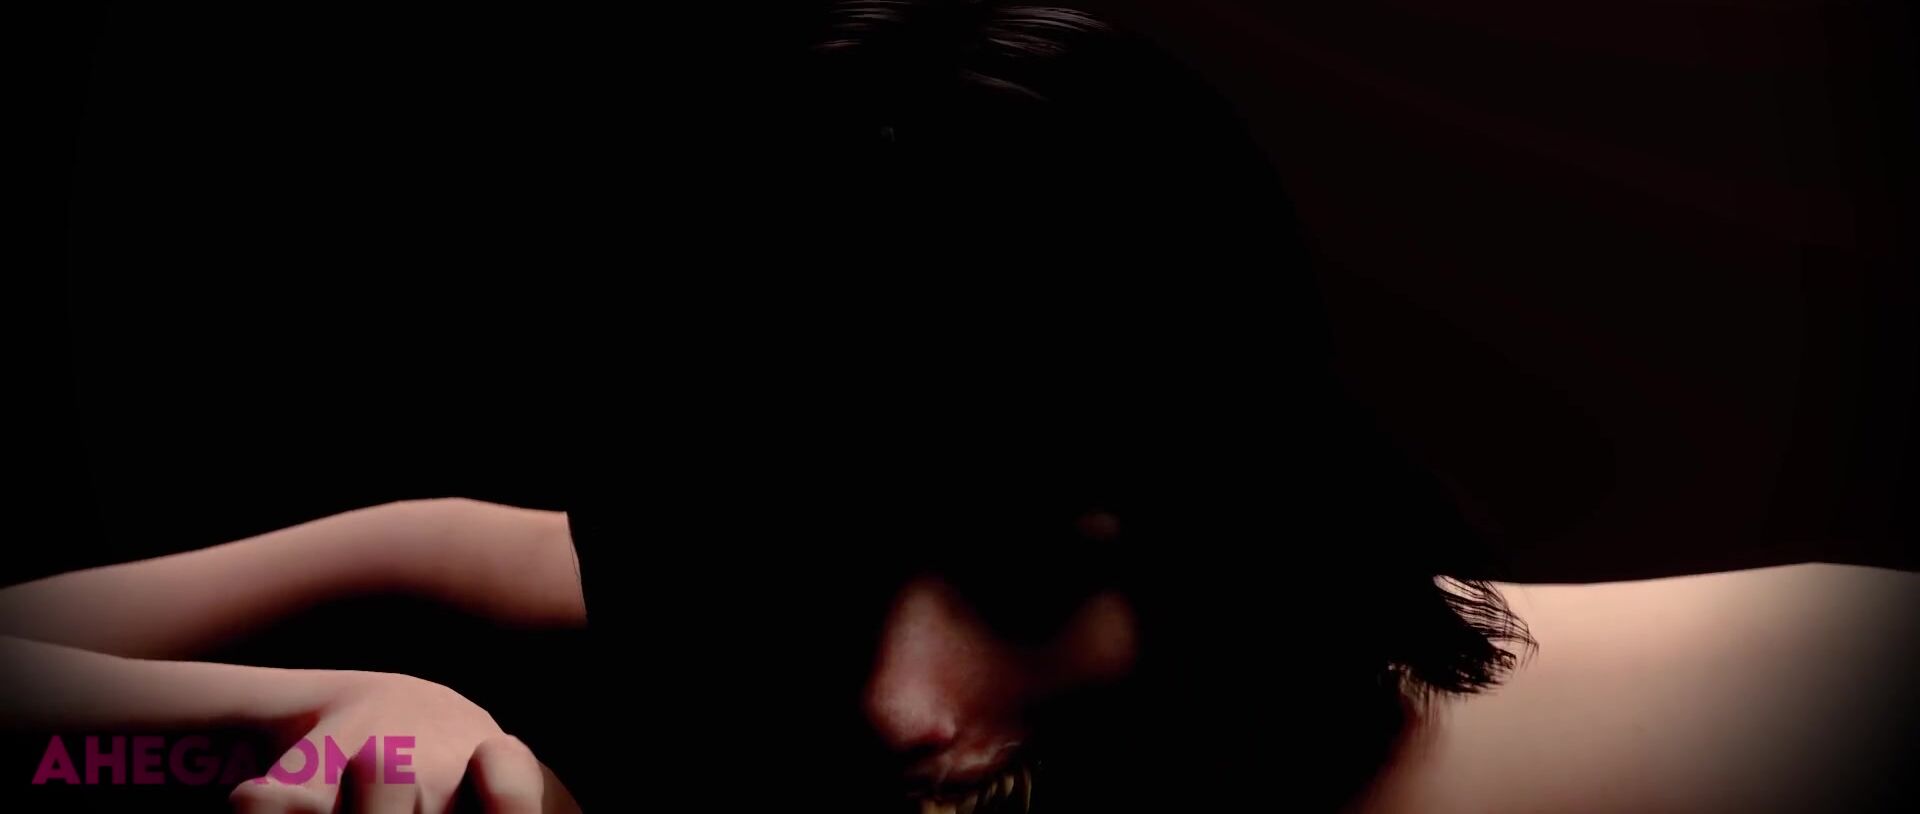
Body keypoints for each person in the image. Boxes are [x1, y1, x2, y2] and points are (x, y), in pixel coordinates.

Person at [9, 1, 1915, 812]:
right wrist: (348, 718)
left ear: (1228, 496)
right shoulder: (683, 597)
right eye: (810, 576)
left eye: (1026, 569)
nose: (895, 708)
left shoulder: (1808, 693)